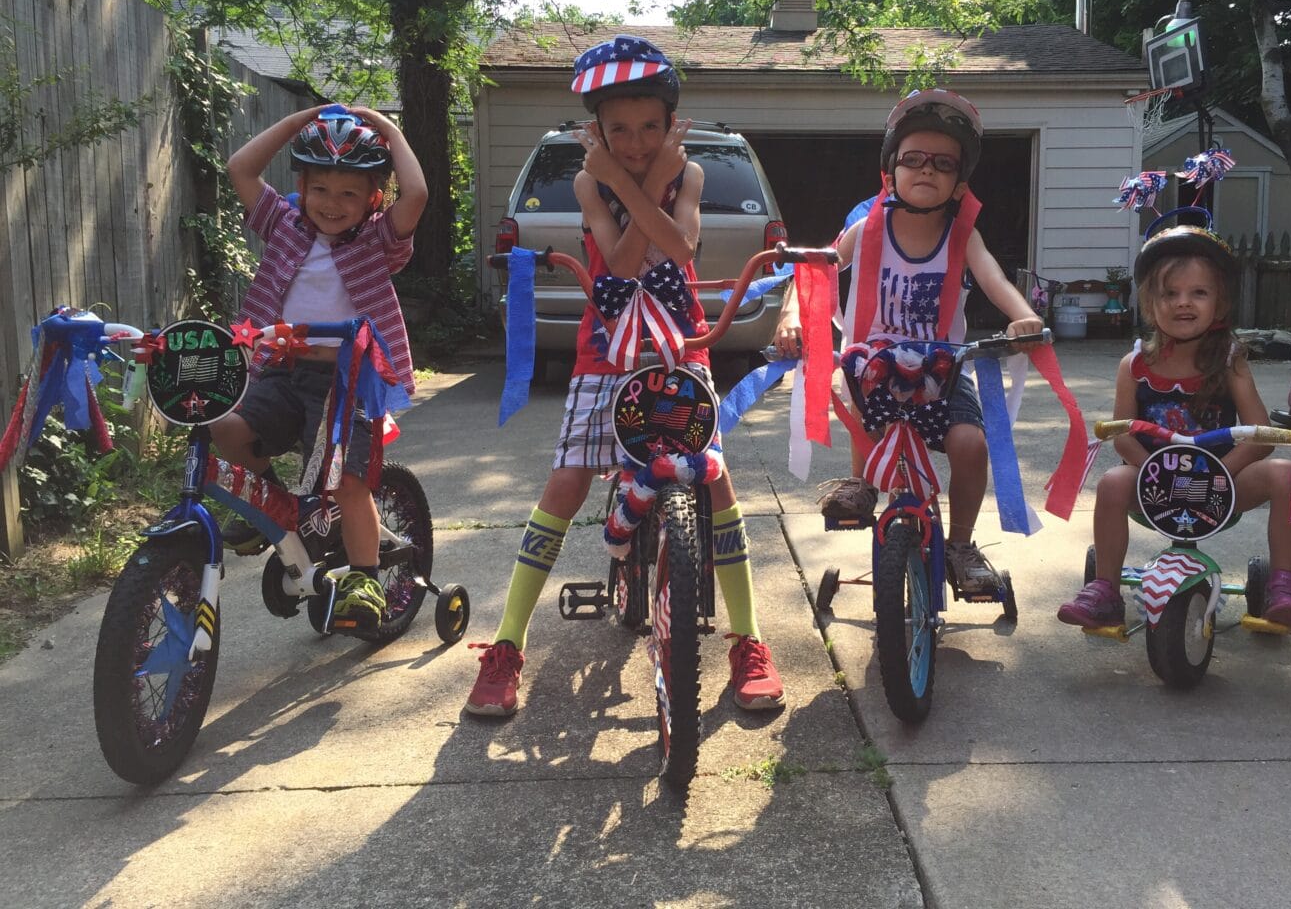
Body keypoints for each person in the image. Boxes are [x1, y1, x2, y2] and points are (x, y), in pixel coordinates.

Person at [465, 35, 785, 717]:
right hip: (604, 349)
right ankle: (506, 647)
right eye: (619, 131)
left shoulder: (690, 175)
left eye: (649, 128)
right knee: (567, 479)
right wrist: (615, 182)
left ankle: (747, 640)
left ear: (672, 124)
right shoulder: (588, 181)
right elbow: (617, 267)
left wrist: (634, 186)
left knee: (717, 478)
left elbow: (681, 246)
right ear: (597, 133)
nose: (636, 142)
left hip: (678, 345)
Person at [771, 89, 1043, 598]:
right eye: (912, 159)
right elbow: (817, 272)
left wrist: (1024, 317)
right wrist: (791, 318)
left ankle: (961, 545)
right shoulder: (867, 227)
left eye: (943, 164)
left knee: (971, 444)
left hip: (942, 373)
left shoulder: (964, 237)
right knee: (858, 384)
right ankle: (862, 483)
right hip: (876, 367)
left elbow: (995, 282)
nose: (926, 170)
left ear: (960, 184)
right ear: (890, 171)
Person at [213, 103, 427, 632]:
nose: (333, 204)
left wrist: (390, 129)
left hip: (347, 381)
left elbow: (417, 195)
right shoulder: (284, 225)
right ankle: (275, 505)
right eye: (321, 190)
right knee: (225, 427)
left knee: (346, 484)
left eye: (350, 193)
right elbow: (241, 168)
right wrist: (293, 122)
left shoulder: (378, 240)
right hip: (282, 371)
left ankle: (363, 579)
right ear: (302, 187)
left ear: (373, 198)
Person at [1056, 221, 1291, 631]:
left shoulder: (1229, 359)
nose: (1182, 303)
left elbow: (1261, 433)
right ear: (1150, 303)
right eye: (1169, 294)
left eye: (1198, 293)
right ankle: (1104, 591)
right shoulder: (1135, 365)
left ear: (1220, 303)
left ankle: (1284, 588)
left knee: (1287, 474)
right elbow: (1123, 435)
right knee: (1111, 483)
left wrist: (1222, 471)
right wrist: (1150, 470)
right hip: (1154, 483)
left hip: (1222, 483)